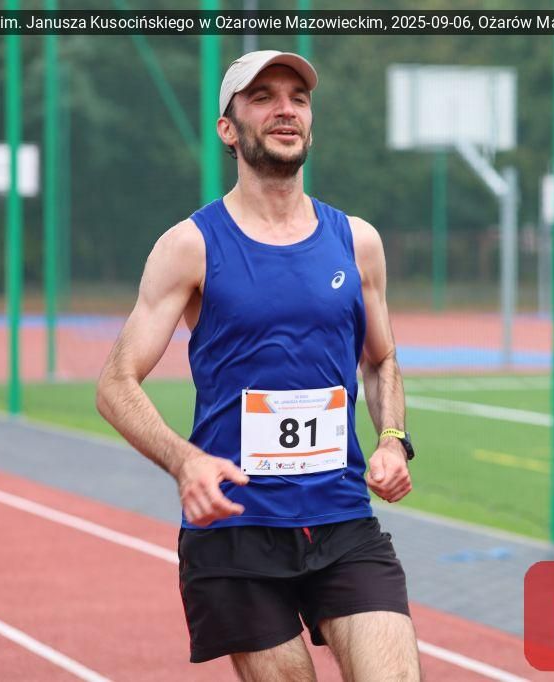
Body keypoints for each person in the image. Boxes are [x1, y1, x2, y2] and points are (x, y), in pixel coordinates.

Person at [95, 49, 421, 681]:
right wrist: (185, 461)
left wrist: (392, 439)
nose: (285, 110)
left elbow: (381, 360)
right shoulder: (191, 245)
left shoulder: (357, 241)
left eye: (298, 98)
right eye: (264, 97)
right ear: (228, 127)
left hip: (342, 518)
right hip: (235, 529)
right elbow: (114, 384)